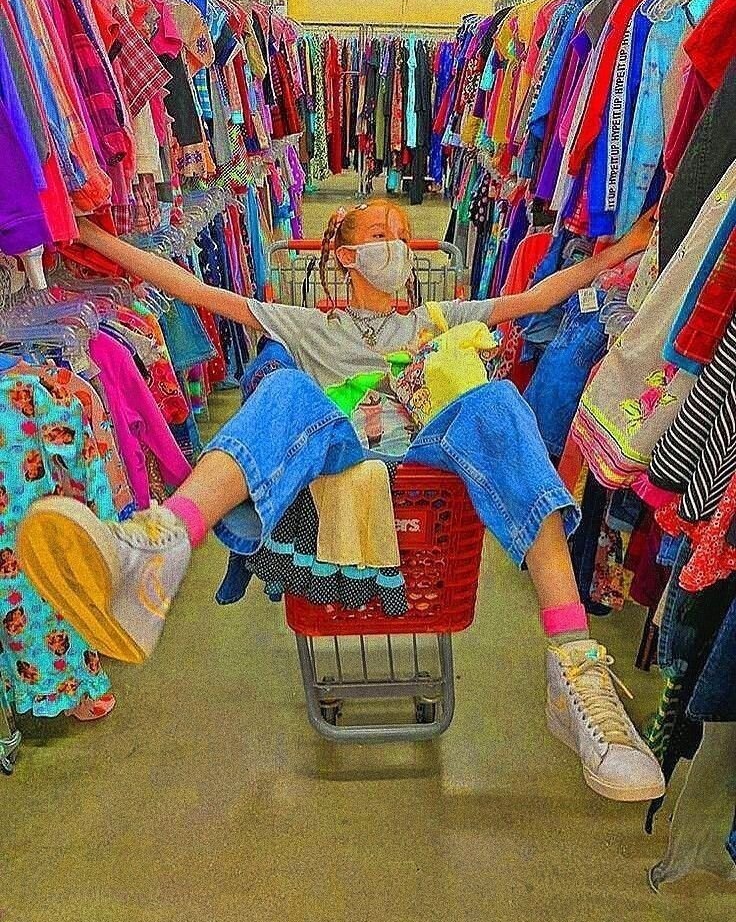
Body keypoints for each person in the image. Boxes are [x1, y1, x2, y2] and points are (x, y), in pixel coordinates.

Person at [18, 201, 663, 801]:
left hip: (426, 458)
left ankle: (575, 667)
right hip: (339, 448)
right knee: (284, 388)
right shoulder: (308, 327)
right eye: (380, 233)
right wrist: (93, 235)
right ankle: (159, 547)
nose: (397, 244)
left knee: (498, 403)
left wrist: (622, 250)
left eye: (403, 234)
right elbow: (194, 290)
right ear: (348, 255)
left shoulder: (436, 320)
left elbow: (536, 298)